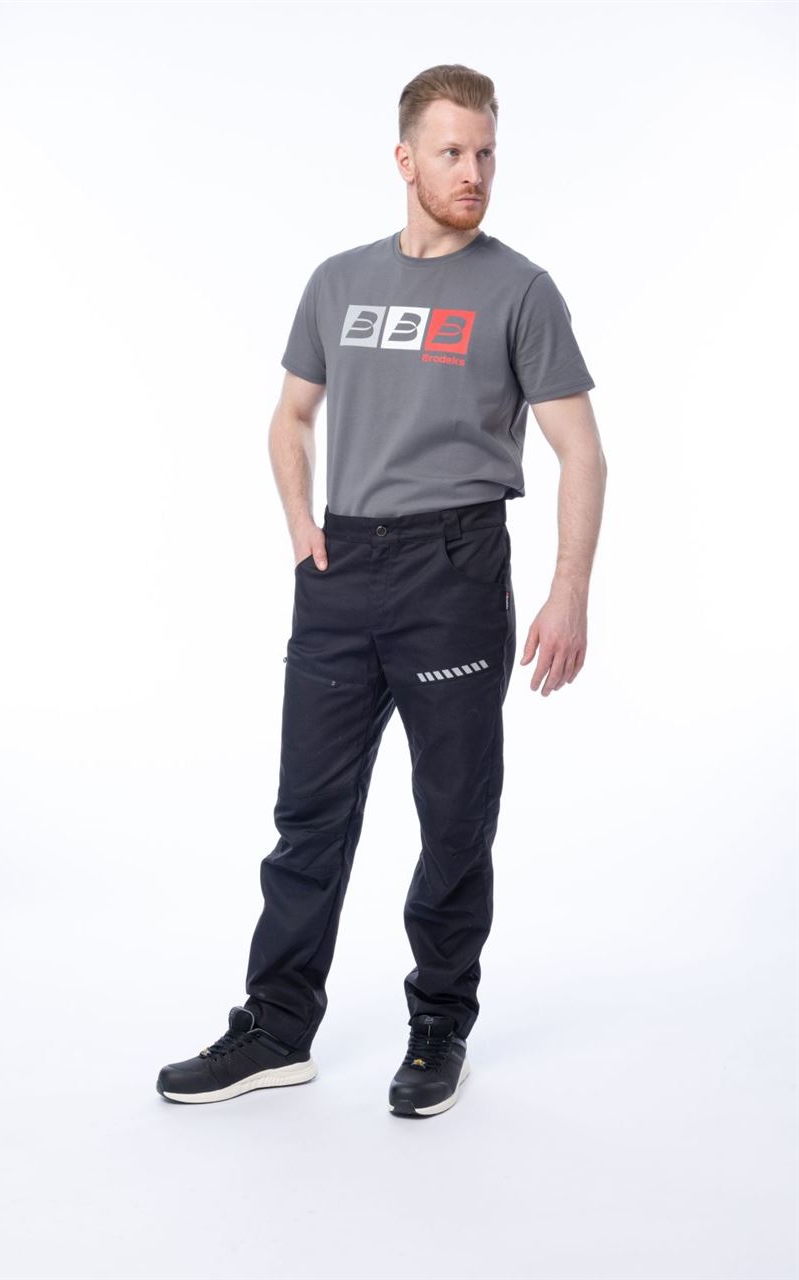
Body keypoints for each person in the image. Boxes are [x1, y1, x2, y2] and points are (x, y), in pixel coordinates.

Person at [156, 63, 607, 1118]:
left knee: (452, 817)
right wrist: (300, 523)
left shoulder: (519, 289)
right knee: (307, 815)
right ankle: (275, 1028)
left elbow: (581, 451)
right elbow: (289, 414)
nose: (473, 171)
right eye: (451, 152)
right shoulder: (338, 281)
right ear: (405, 159)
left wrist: (567, 591)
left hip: (453, 569)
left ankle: (438, 1024)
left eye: (485, 152)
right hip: (338, 568)